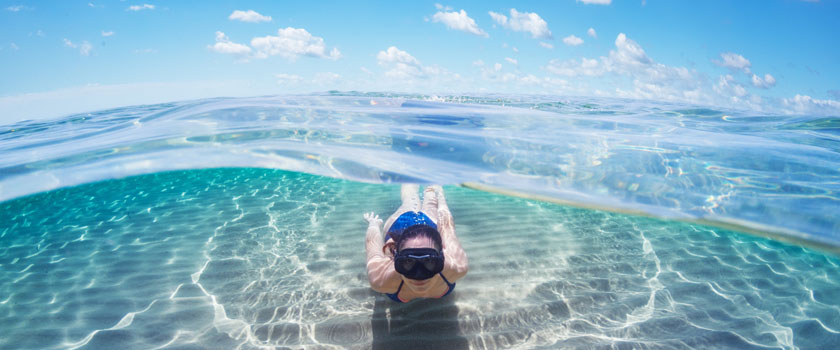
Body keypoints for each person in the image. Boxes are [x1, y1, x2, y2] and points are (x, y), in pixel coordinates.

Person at [364, 184, 468, 303]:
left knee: (430, 196)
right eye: (408, 261)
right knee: (411, 199)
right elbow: (374, 249)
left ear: (442, 257)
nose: (419, 275)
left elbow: (448, 228)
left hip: (418, 226)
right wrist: (374, 224)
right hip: (402, 224)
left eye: (429, 261)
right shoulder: (380, 279)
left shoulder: (458, 266)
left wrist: (440, 196)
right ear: (396, 258)